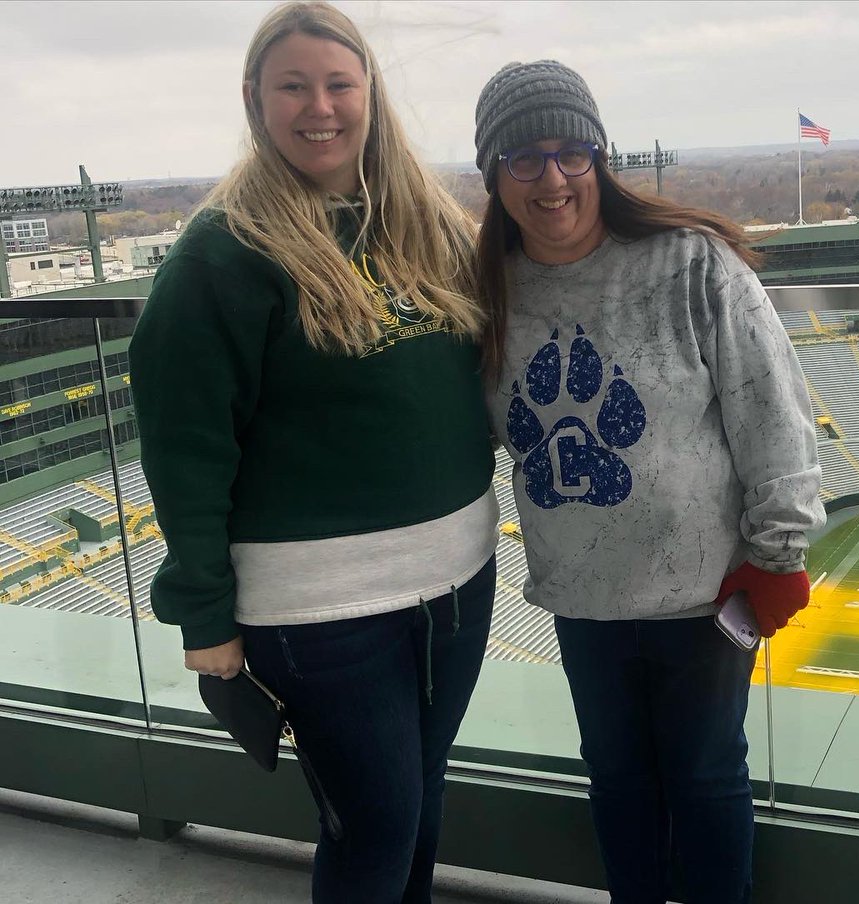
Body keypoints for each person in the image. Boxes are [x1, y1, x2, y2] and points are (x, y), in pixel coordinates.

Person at [129, 4, 498, 901]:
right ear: (255, 100)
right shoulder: (223, 254)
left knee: (420, 799)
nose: (319, 106)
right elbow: (185, 448)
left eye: (339, 83)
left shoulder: (420, 223)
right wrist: (206, 619)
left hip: (458, 582)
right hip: (323, 612)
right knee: (372, 825)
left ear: (370, 93)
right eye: (293, 85)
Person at [473, 61, 826, 904]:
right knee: (618, 784)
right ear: (494, 173)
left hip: (706, 598)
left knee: (706, 780)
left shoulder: (693, 266)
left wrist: (778, 553)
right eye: (524, 158)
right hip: (584, 598)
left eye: (571, 153)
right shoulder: (484, 291)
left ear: (602, 159)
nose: (551, 178)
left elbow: (772, 411)